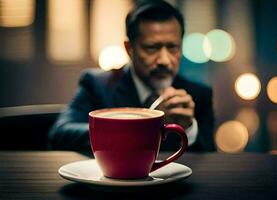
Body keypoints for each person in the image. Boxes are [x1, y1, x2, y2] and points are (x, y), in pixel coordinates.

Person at [49, 0, 215, 152]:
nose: (165, 60)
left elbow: (210, 157)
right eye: (152, 48)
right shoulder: (97, 85)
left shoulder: (199, 94)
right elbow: (60, 134)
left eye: (173, 47)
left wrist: (189, 130)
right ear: (129, 48)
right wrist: (141, 127)